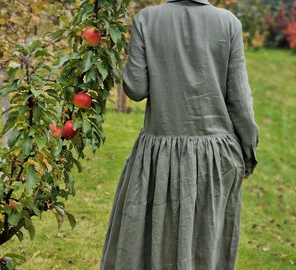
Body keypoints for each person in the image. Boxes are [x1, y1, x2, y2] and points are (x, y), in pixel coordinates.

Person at [100, 0, 259, 269]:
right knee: (205, 243)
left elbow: (136, 89)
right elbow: (240, 100)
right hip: (215, 156)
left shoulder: (146, 20)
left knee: (151, 240)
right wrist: (248, 152)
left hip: (159, 156)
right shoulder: (229, 23)